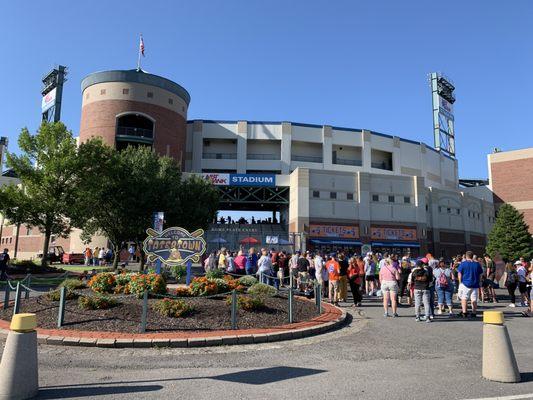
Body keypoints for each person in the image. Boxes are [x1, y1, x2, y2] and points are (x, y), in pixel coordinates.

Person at [457, 251, 484, 318]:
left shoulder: (463, 264)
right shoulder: (477, 264)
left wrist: (460, 283)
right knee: (474, 299)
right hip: (475, 284)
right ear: (472, 256)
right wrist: (480, 281)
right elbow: (481, 274)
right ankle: (474, 312)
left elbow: (459, 274)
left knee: (464, 298)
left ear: (466, 256)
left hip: (465, 283)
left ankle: (464, 312)